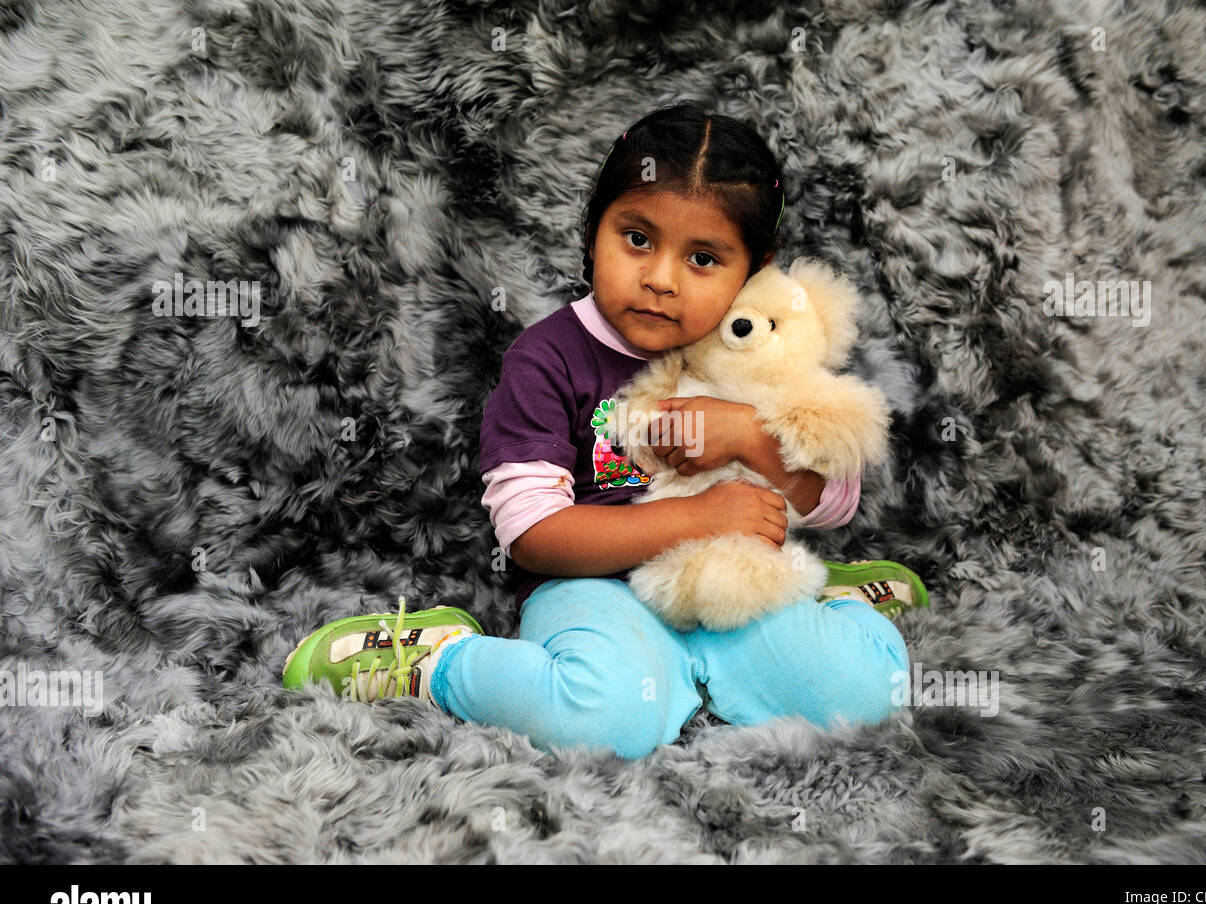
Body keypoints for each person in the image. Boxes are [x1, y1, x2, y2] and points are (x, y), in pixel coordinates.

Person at [283, 101, 930, 760]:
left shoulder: (752, 343)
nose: (660, 279)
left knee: (862, 693)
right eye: (638, 239)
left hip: (732, 579)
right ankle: (442, 661)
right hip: (594, 587)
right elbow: (533, 535)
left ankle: (836, 608)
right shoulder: (549, 357)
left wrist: (746, 434)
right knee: (605, 721)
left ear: (754, 269)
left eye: (703, 258)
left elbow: (834, 498)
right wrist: (698, 517)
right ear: (595, 230)